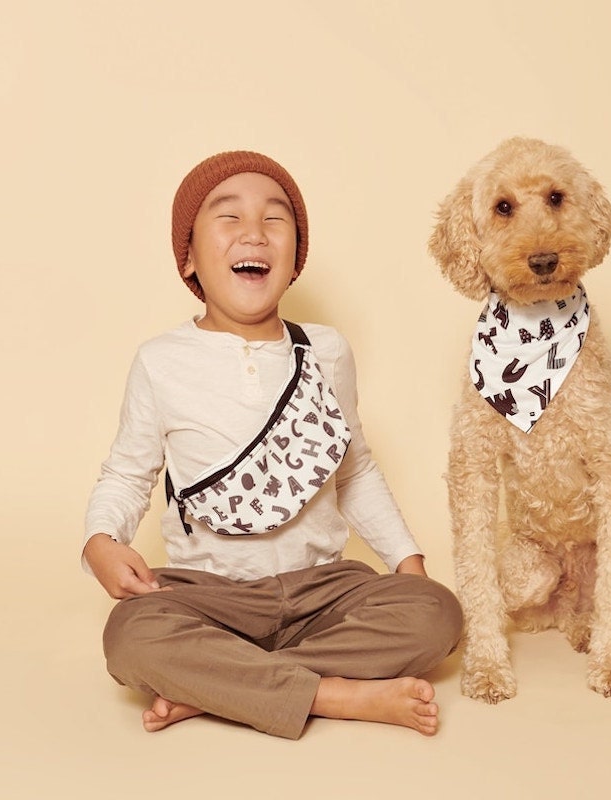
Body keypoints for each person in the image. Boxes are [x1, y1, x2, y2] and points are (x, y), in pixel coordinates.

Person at [82, 150, 462, 740]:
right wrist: (101, 543)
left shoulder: (328, 353)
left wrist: (407, 562)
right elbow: (127, 475)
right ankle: (334, 694)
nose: (253, 232)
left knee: (436, 613)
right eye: (228, 217)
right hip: (210, 596)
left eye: (274, 218)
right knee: (130, 637)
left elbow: (354, 469)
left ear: (294, 259)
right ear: (188, 256)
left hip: (322, 587)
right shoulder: (161, 362)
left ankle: (215, 690)